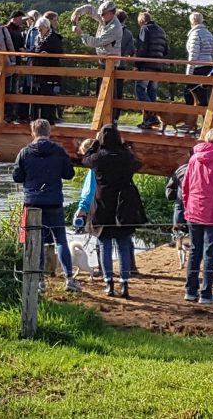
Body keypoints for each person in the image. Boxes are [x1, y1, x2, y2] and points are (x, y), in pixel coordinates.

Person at [12, 118, 80, 292]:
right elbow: (69, 174)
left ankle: (40, 281)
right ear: (49, 132)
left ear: (33, 132)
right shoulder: (59, 151)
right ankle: (69, 278)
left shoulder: (25, 152)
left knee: (37, 242)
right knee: (61, 240)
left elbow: (17, 177)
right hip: (54, 201)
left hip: (33, 202)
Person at [77, 124, 144, 298]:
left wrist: (95, 144)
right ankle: (125, 283)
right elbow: (137, 164)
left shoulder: (98, 158)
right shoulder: (126, 157)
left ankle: (109, 283)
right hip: (123, 203)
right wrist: (124, 148)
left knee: (104, 244)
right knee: (123, 244)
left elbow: (85, 159)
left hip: (103, 203)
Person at [180, 128, 213, 304]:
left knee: (195, 250)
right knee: (210, 253)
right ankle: (206, 293)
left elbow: (185, 185)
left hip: (194, 210)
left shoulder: (194, 158)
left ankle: (190, 290)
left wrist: (187, 206)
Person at [73, 0, 126, 121]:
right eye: (100, 14)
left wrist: (81, 34)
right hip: (103, 62)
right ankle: (102, 120)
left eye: (103, 14)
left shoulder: (115, 28)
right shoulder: (105, 18)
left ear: (112, 13)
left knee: (110, 94)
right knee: (101, 92)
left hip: (112, 65)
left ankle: (111, 121)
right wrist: (78, 12)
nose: (100, 16)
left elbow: (97, 42)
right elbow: (91, 9)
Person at [135, 11, 168, 128]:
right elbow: (166, 51)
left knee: (139, 89)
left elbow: (142, 48)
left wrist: (137, 64)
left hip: (146, 65)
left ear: (142, 21)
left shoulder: (145, 29)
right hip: (158, 66)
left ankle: (152, 116)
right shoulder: (161, 31)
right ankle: (149, 121)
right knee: (151, 92)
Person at [31, 16, 62, 123]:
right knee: (39, 96)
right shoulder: (38, 38)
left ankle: (49, 121)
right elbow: (35, 50)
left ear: (47, 27)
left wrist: (48, 54)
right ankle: (39, 120)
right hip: (39, 71)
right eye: (38, 29)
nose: (39, 31)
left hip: (50, 72)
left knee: (48, 96)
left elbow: (60, 53)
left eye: (41, 29)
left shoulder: (54, 38)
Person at [184, 12, 213, 106]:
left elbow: (193, 55)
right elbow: (212, 52)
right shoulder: (209, 34)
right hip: (208, 66)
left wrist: (189, 74)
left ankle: (191, 114)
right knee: (203, 94)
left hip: (198, 67)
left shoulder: (195, 34)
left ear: (191, 21)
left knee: (189, 92)